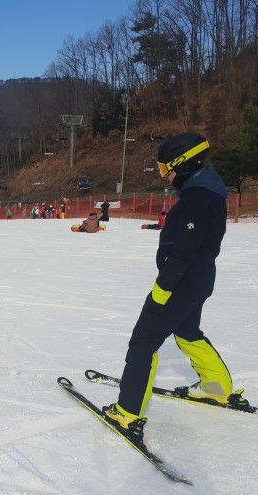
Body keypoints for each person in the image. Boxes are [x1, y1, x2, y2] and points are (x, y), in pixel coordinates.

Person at [103, 132, 245, 438]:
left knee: (144, 342)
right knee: (187, 332)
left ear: (184, 163)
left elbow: (184, 252)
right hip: (199, 279)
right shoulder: (207, 191)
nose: (165, 176)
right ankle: (215, 386)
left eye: (167, 168)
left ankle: (127, 412)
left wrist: (163, 289)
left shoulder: (197, 199)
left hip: (181, 283)